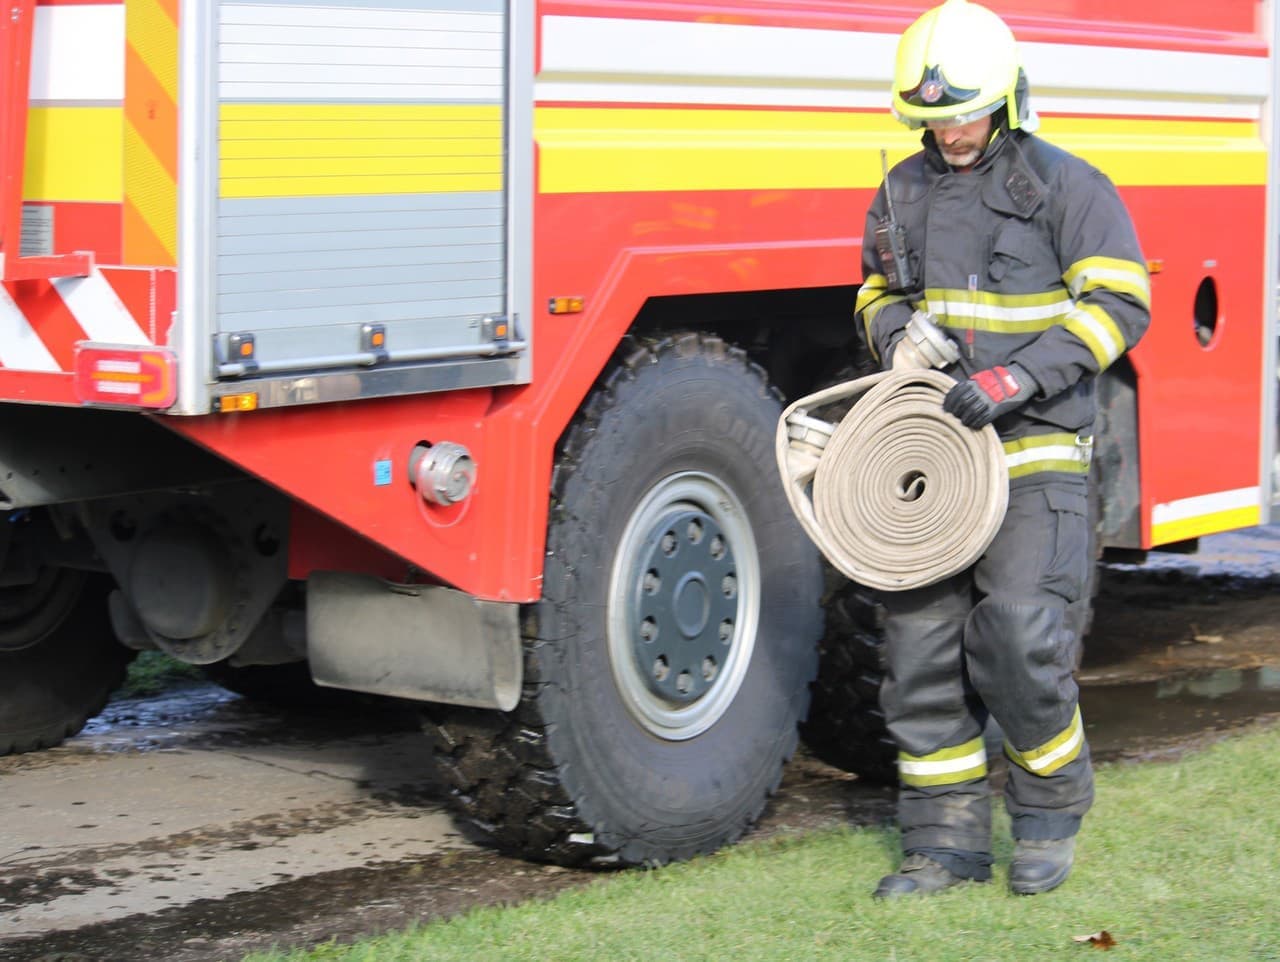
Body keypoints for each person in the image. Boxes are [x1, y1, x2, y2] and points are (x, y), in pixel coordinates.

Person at [853, 0, 1150, 897]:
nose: (950, 134)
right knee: (921, 652)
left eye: (965, 115)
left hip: (1036, 449)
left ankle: (1049, 814)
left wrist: (1016, 380)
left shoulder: (1068, 186)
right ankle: (942, 844)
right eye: (934, 120)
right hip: (932, 461)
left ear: (1009, 99)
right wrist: (895, 335)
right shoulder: (901, 189)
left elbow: (1120, 305)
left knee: (1020, 635)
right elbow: (872, 292)